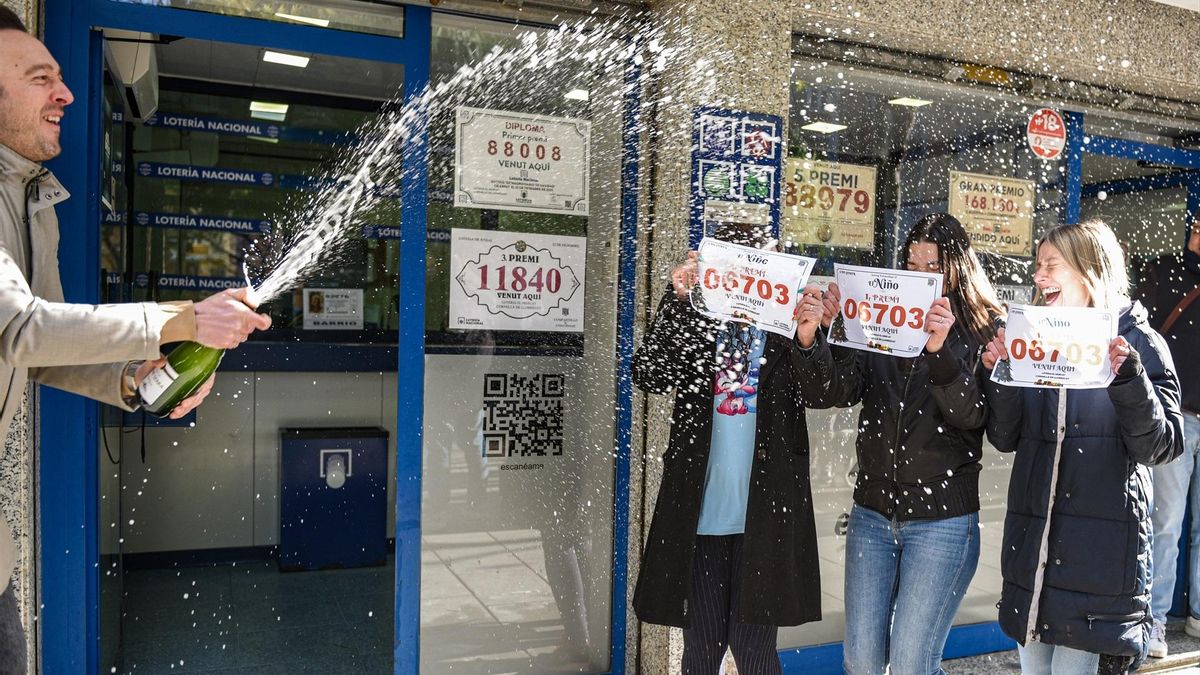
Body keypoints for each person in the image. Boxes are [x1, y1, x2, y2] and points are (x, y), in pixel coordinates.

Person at [0, 8, 271, 668]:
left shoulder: (32, 197)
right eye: (42, 79)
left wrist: (137, 376)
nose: (65, 94)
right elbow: (20, 326)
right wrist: (179, 318)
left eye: (60, 78)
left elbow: (43, 352)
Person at [793, 213, 1002, 675]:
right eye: (912, 262)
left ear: (957, 268)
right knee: (862, 661)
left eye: (933, 265)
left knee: (911, 664)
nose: (920, 274)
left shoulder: (984, 329)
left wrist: (938, 349)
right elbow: (832, 392)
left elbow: (974, 417)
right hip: (872, 513)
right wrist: (813, 340)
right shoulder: (880, 317)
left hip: (943, 522)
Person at [981, 220, 1183, 674]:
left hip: (1101, 569)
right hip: (1035, 563)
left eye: (1051, 265)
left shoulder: (1141, 342)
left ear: (1091, 270)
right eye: (1037, 265)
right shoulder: (1032, 336)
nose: (1038, 276)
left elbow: (1162, 446)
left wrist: (1130, 379)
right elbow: (1005, 436)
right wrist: (1002, 374)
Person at [632, 222, 822, 674]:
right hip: (702, 517)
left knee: (754, 653)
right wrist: (678, 300)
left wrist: (810, 337)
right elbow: (650, 374)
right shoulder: (698, 322)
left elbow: (827, 391)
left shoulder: (786, 329)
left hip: (764, 517)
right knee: (701, 654)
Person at [1135, 214, 1200, 659]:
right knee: (1165, 523)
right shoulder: (1166, 271)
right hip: (1180, 416)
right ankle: (1154, 620)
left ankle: (1197, 614)